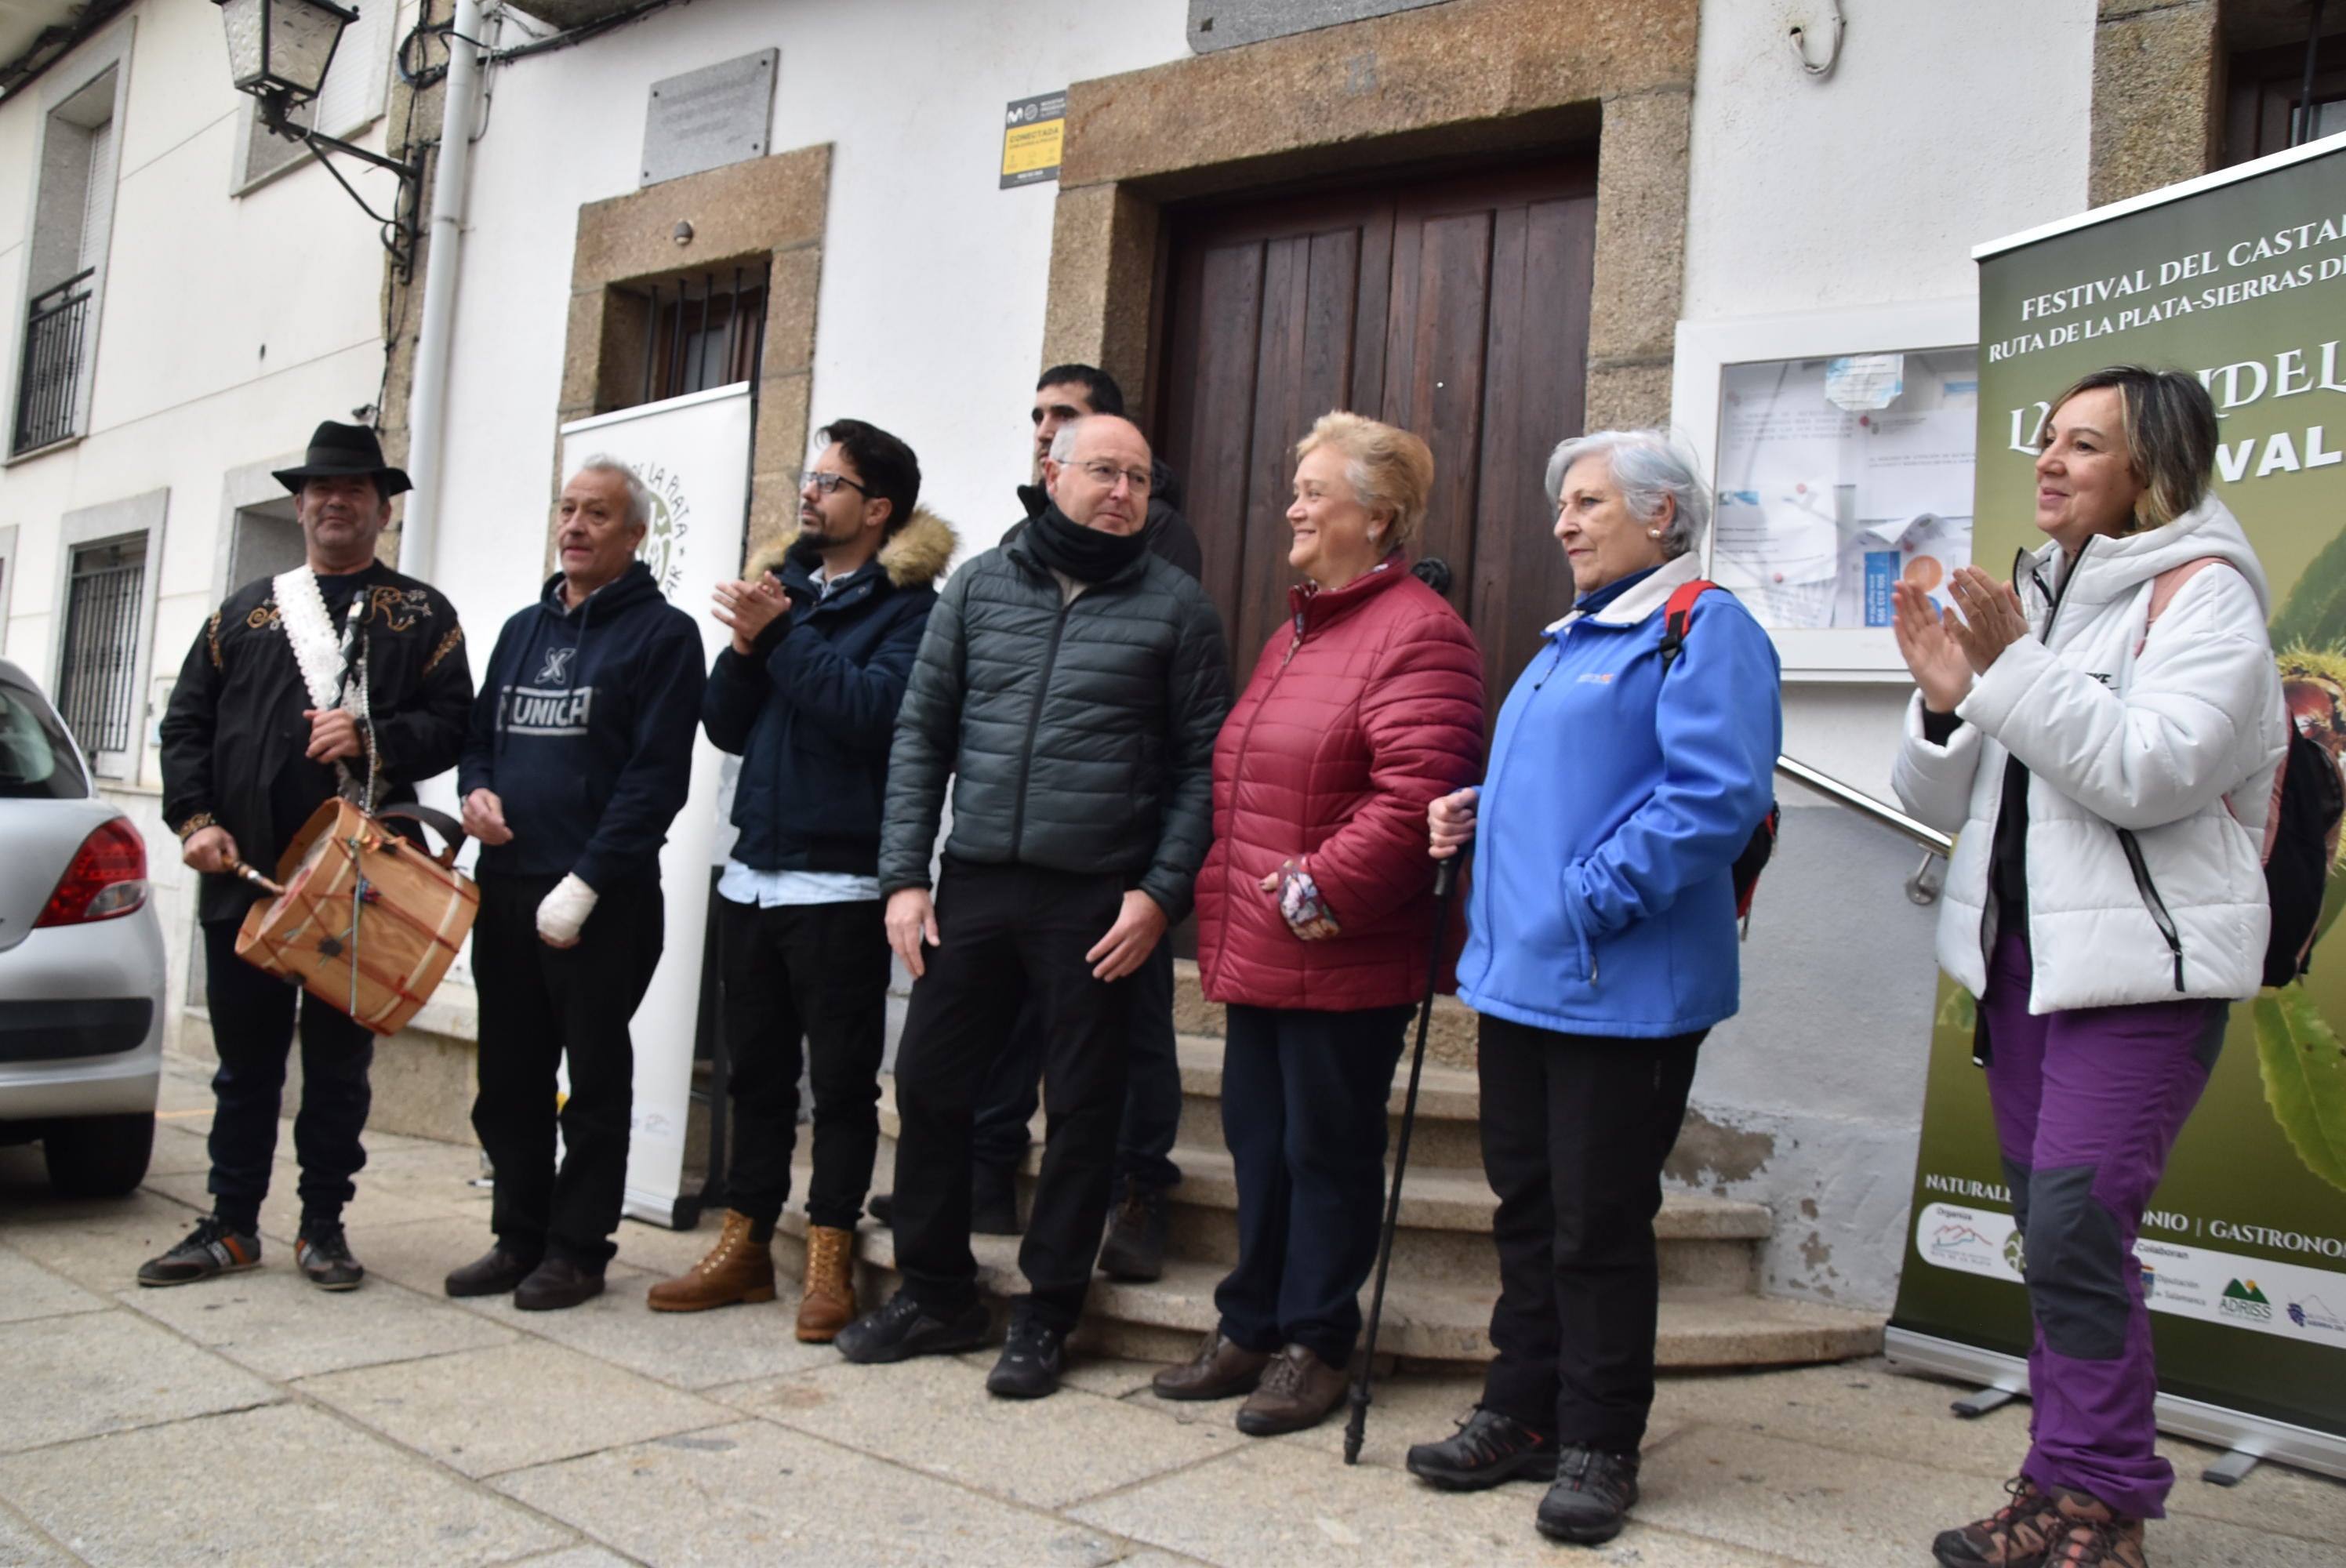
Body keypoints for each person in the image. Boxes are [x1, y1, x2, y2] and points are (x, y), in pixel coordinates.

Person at [1891, 368, 2283, 1568]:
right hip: (2024, 970)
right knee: (2057, 1236)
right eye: (2048, 441)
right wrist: (1947, 706)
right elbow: (1932, 799)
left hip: (2142, 980)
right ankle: (2057, 1478)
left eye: (2086, 446)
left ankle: (2105, 1499)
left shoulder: (2205, 597)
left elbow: (2147, 773)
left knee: (2070, 1227)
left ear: (2152, 469)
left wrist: (2008, 674)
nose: (2050, 463)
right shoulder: (2032, 598)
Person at [1401, 430, 1781, 1545]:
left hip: (1624, 985)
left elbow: (1714, 800)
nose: (1564, 523)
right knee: (1528, 1210)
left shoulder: (1701, 627)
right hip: (1523, 981)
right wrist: (1472, 810)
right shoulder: (1574, 635)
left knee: (1599, 1222)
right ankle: (1520, 1408)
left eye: (1589, 502)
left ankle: (1601, 1439)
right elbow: (1571, 783)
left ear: (1663, 516)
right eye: (1562, 503)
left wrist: (1586, 897)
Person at [836, 413, 1229, 1398]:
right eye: (1104, 470)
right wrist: (903, 876)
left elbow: (1200, 770)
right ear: (1051, 474)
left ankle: (1049, 1311)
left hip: (1099, 895)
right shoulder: (976, 587)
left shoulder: (1179, 608)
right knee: (928, 1082)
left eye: (1140, 477)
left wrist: (1158, 894)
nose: (1123, 491)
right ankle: (936, 1290)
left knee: (1085, 1107)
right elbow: (921, 736)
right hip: (973, 880)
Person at [1152, 412, 1483, 1435]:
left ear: (1375, 515)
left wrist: (1313, 894)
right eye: (1293, 489)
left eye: (1313, 491)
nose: (1290, 507)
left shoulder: (1420, 633)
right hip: (1263, 947)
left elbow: (1416, 793)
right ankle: (1250, 1323)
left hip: (1339, 950)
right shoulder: (1300, 628)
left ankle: (1317, 1344)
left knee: (1326, 1155)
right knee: (1260, 1143)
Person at [147, 420, 473, 1291]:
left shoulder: (423, 614)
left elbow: (453, 725)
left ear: (381, 507)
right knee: (243, 1063)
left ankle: (323, 1226)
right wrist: (194, 820)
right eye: (322, 490)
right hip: (245, 874)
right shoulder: (242, 612)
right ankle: (231, 1223)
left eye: (355, 490)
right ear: (300, 505)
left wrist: (373, 735)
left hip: (359, 881)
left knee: (338, 1066)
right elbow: (186, 725)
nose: (337, 502)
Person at [646, 420, 951, 1341]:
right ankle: (741, 1243)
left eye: (829, 481)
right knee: (757, 1078)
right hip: (754, 873)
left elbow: (872, 714)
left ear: (878, 507)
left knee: (846, 1085)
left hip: (844, 882)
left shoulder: (912, 612)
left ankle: (829, 1256)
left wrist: (779, 637)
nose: (808, 493)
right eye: (807, 476)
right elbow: (725, 726)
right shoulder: (786, 590)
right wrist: (745, 646)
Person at [445, 458, 706, 1311]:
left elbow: (655, 777)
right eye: (567, 509)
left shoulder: (663, 636)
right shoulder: (523, 627)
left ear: (634, 536)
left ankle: (577, 1247)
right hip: (510, 887)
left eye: (598, 514)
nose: (576, 526)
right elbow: (482, 734)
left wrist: (587, 881)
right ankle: (517, 1236)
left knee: (592, 1081)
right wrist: (474, 791)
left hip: (602, 898)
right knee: (509, 1080)